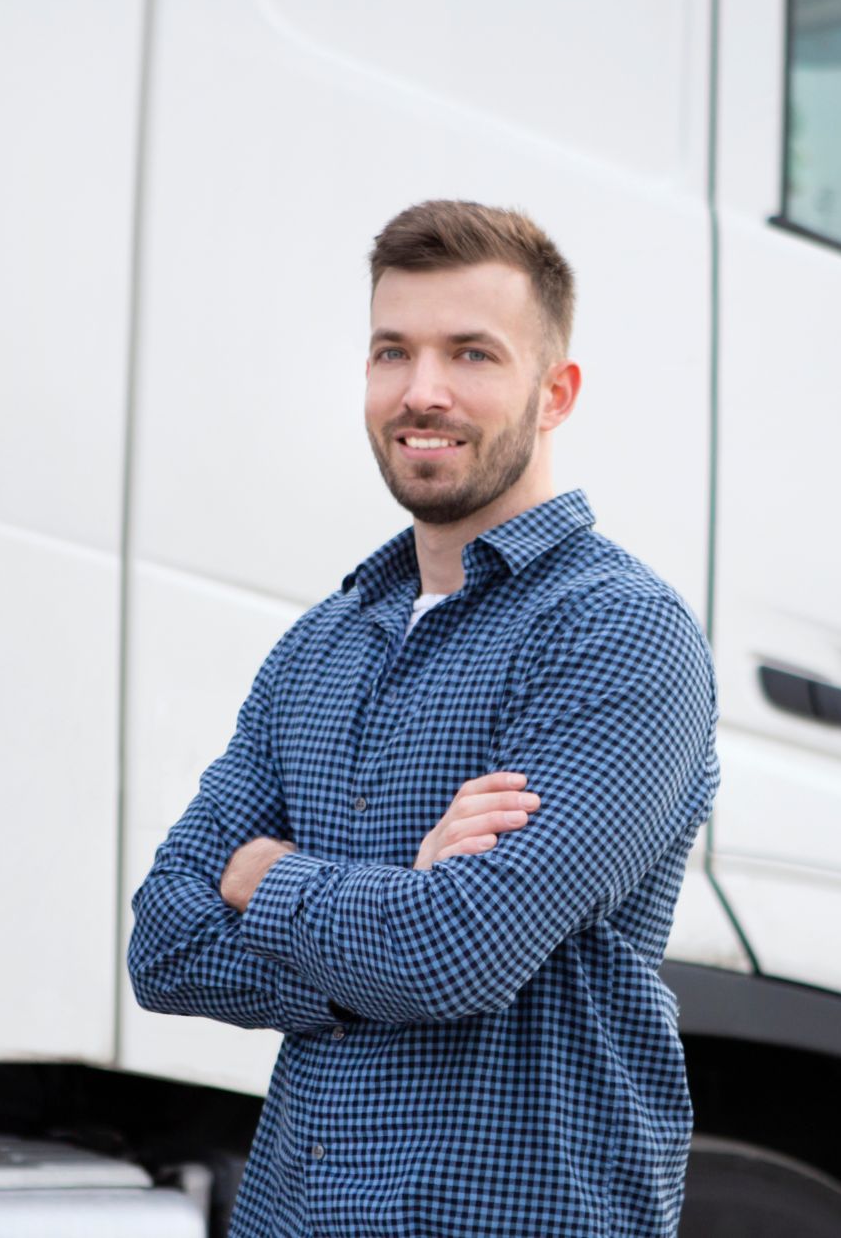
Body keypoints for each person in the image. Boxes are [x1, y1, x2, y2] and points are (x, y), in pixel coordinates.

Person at [127, 199, 721, 1238]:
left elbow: (457, 954)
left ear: (555, 393)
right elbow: (165, 941)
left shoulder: (618, 635)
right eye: (390, 351)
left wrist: (269, 877)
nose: (421, 391)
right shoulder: (320, 644)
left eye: (472, 355)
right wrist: (392, 910)